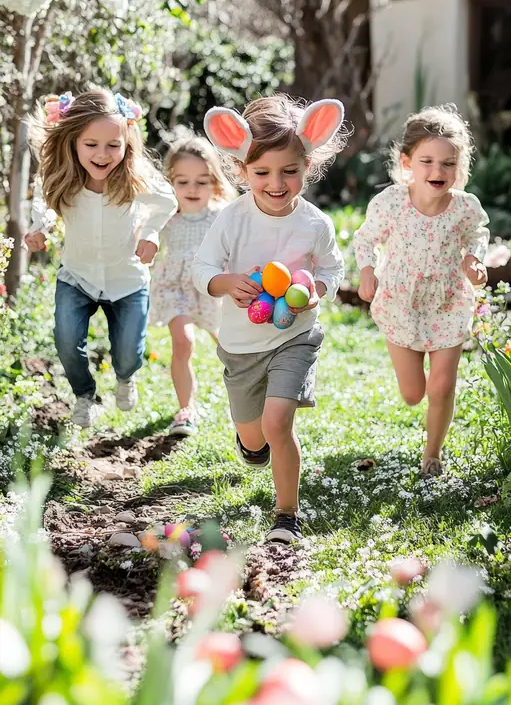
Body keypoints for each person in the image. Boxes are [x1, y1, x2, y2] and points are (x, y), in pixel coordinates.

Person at [193, 94, 347, 543]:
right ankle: (252, 444)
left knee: (278, 422)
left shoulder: (315, 224)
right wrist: (226, 283)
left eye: (289, 171)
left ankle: (286, 516)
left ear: (308, 164)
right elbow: (202, 269)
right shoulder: (231, 220)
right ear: (242, 170)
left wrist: (316, 292)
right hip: (241, 347)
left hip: (294, 336)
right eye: (262, 173)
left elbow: (333, 270)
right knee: (255, 436)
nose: (276, 183)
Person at [25, 89, 177, 429]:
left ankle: (125, 377)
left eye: (113, 145)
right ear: (73, 142)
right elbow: (44, 205)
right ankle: (84, 395)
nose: (103, 154)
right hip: (77, 276)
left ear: (126, 143)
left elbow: (166, 202)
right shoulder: (61, 178)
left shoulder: (136, 178)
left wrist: (150, 233)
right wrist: (41, 228)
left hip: (128, 280)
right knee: (65, 340)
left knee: (127, 354)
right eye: (91, 144)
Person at [354, 104, 489, 475]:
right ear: (407, 162)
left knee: (442, 386)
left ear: (459, 167)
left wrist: (474, 258)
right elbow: (365, 240)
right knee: (414, 394)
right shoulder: (391, 203)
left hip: (448, 302)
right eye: (427, 161)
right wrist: (367, 272)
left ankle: (433, 455)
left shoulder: (464, 207)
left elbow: (478, 233)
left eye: (448, 163)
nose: (437, 171)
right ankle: (416, 386)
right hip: (401, 302)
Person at [150, 134, 236, 436]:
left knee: (232, 348)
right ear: (170, 182)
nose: (192, 189)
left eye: (201, 181)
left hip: (212, 288)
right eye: (182, 181)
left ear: (213, 181)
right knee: (183, 343)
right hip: (175, 289)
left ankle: (248, 397)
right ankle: (186, 409)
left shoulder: (222, 216)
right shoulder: (165, 217)